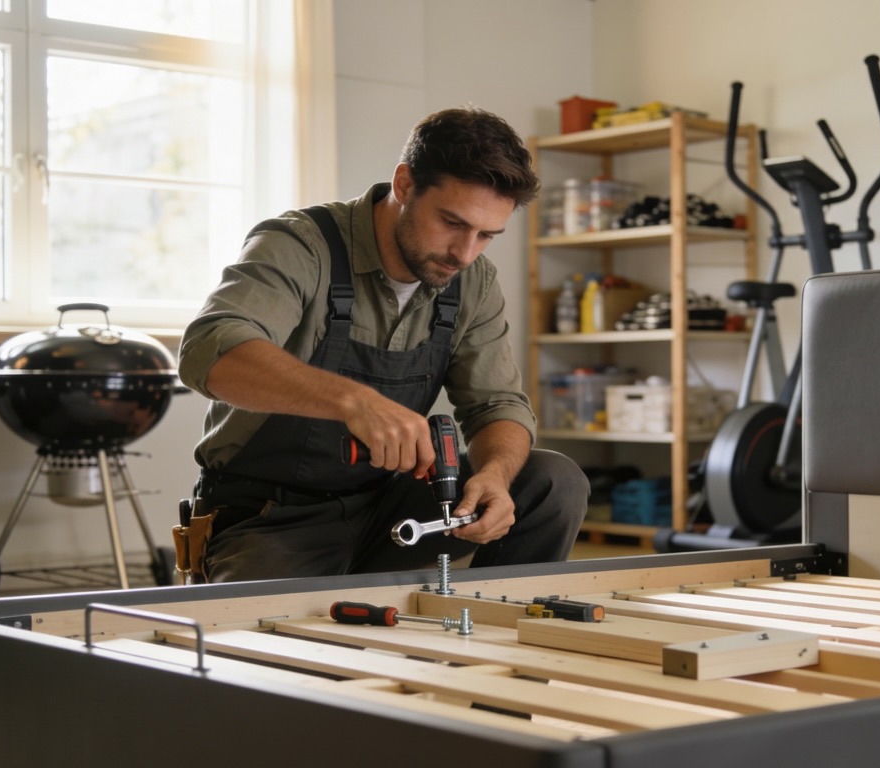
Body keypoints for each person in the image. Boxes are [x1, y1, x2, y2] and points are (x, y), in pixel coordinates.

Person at [179, 107, 589, 582]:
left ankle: (499, 627)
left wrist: (495, 475)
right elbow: (209, 351)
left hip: (391, 510)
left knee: (552, 482)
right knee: (276, 646)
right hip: (271, 518)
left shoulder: (472, 280)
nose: (465, 253)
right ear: (404, 185)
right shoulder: (298, 245)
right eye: (453, 223)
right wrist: (355, 403)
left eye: (486, 236)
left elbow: (498, 404)